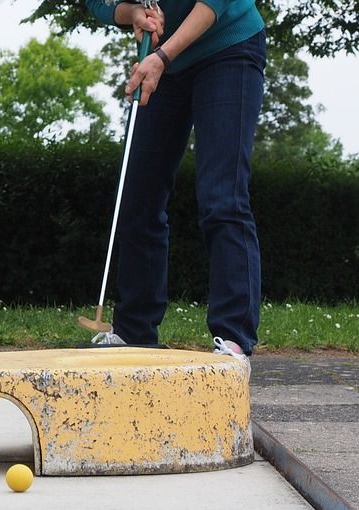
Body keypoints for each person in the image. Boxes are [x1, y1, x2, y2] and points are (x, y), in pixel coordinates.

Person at [86, 0, 266, 364]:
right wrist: (132, 14)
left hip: (227, 48)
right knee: (137, 197)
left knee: (222, 197)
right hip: (163, 61)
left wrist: (162, 57)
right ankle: (134, 333)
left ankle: (234, 339)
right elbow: (97, 3)